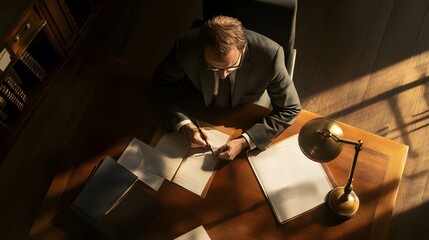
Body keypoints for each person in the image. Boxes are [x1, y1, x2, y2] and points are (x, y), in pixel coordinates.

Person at [152, 15, 301, 160]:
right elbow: (161, 83)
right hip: (199, 103)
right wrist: (186, 125)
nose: (223, 76)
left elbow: (290, 109)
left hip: (246, 106)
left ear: (243, 49)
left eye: (232, 67)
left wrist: (244, 142)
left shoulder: (270, 56)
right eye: (212, 67)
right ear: (202, 49)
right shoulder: (185, 46)